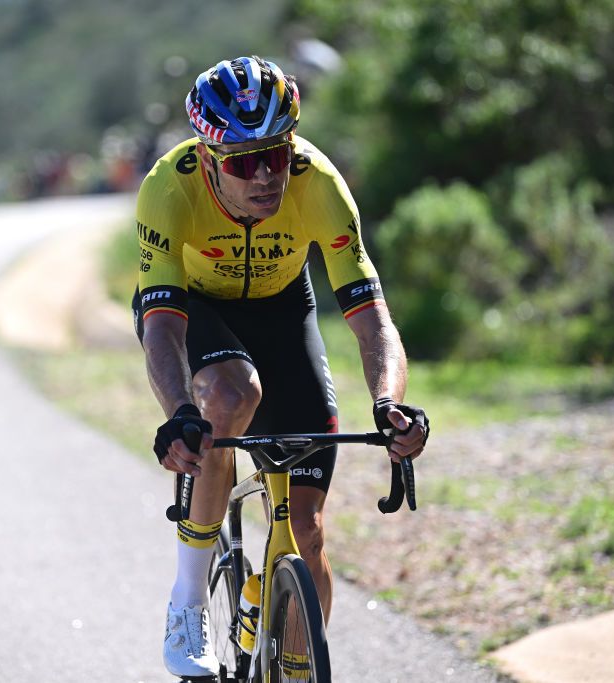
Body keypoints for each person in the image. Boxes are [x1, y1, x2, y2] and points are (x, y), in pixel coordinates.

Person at [132, 56, 430, 679]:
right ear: (210, 158)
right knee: (232, 396)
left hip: (283, 308)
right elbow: (161, 325)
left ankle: (293, 655)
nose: (267, 175)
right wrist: (180, 413)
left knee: (310, 533)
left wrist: (389, 403)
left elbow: (372, 318)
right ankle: (188, 601)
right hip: (199, 306)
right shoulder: (169, 186)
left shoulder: (316, 183)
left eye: (277, 153)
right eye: (244, 162)